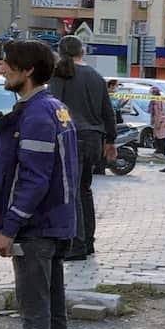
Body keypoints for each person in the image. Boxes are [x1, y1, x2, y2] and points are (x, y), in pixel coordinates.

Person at [0, 41, 80, 329]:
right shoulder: (56, 108)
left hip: (36, 228)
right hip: (57, 225)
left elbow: (33, 179)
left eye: (7, 64)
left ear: (28, 71)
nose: (1, 69)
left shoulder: (37, 113)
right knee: (53, 309)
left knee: (35, 310)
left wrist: (8, 227)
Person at [48, 36, 117, 258]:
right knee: (84, 190)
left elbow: (53, 106)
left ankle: (75, 245)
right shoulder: (96, 77)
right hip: (93, 140)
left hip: (71, 137)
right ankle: (88, 242)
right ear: (82, 51)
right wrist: (111, 141)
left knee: (73, 191)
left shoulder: (60, 74)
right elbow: (108, 111)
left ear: (60, 52)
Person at [150, 87, 165, 155]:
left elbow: (162, 112)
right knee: (157, 136)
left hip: (161, 121)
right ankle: (158, 149)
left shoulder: (160, 100)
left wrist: (159, 122)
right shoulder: (154, 100)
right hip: (156, 120)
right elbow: (153, 112)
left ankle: (162, 150)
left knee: (161, 136)